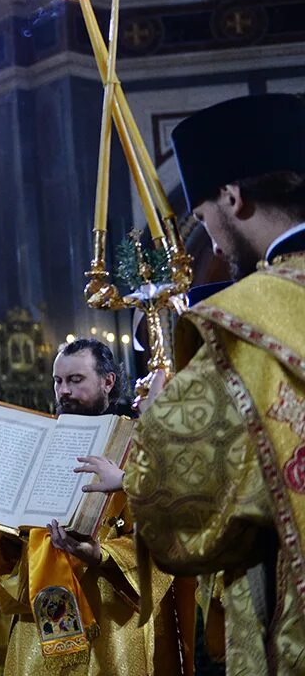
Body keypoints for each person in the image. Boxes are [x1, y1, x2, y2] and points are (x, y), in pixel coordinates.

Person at [119, 93, 305, 672]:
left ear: (232, 197)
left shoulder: (247, 318)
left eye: (203, 220)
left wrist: (156, 421)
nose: (215, 246)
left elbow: (177, 507)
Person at [0, 340, 186, 675]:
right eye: (58, 381)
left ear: (108, 381)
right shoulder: (34, 443)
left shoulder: (139, 443)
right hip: (40, 614)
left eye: (76, 380)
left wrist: (101, 555)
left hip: (112, 616)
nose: (63, 390)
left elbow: (168, 531)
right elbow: (8, 546)